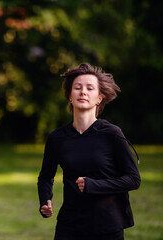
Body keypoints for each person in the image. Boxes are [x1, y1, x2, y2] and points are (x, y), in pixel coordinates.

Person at [37, 63, 141, 240]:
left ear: (99, 98)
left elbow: (133, 179)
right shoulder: (57, 138)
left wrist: (94, 185)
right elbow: (46, 176)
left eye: (89, 88)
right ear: (70, 96)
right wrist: (44, 200)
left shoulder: (112, 134)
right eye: (77, 88)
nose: (83, 92)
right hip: (69, 226)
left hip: (107, 227)